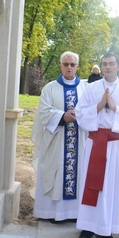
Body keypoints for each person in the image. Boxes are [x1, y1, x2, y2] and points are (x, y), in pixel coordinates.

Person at [75, 52, 119, 238]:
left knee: (111, 186)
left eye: (111, 64)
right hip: (95, 142)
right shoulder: (91, 88)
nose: (107, 67)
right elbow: (79, 113)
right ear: (101, 67)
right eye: (104, 64)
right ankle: (87, 226)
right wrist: (99, 106)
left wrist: (114, 107)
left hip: (115, 145)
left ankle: (105, 228)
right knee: (91, 184)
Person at [32, 52, 88, 222]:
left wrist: (80, 115)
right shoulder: (50, 88)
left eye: (72, 64)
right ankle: (50, 213)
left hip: (79, 139)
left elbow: (92, 110)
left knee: (77, 173)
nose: (69, 67)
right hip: (56, 139)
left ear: (77, 67)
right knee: (55, 172)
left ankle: (73, 214)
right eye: (66, 64)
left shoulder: (85, 88)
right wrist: (62, 116)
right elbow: (43, 112)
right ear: (60, 66)